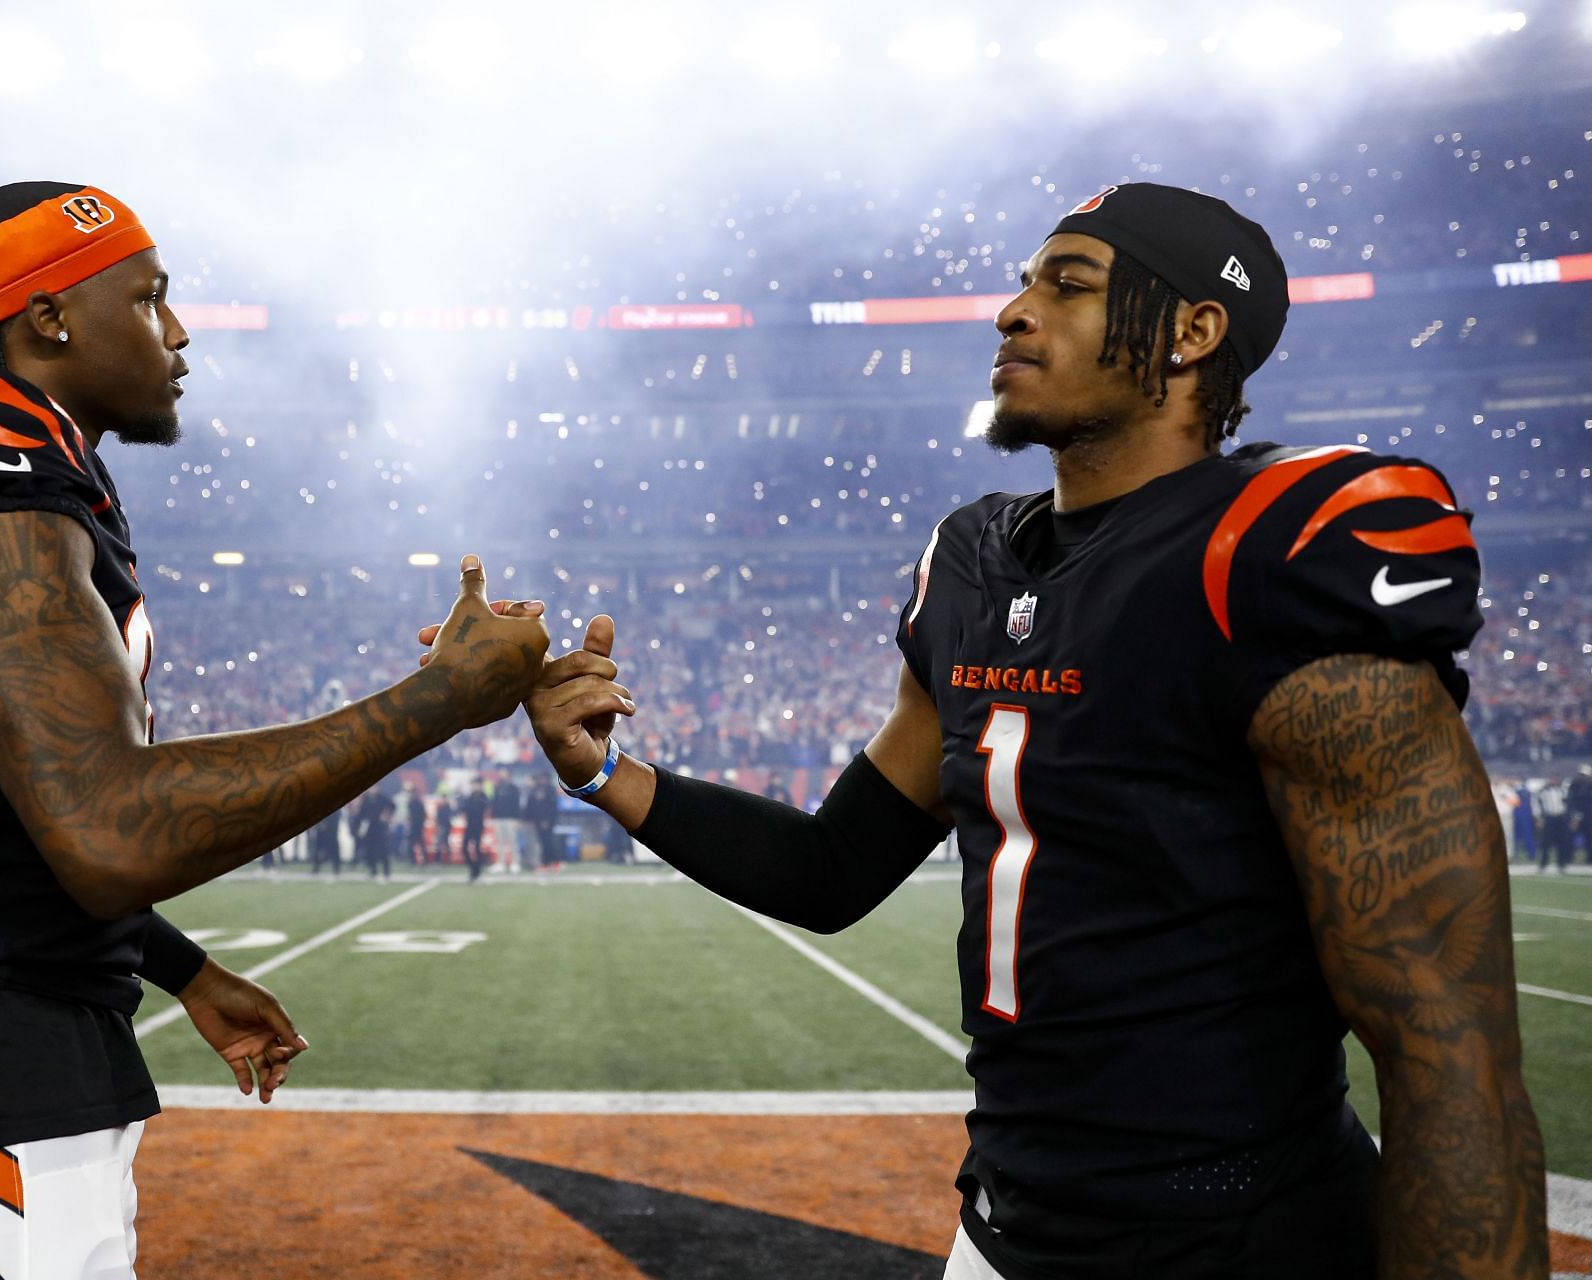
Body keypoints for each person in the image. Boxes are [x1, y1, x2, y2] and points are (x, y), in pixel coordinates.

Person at [524, 183, 1546, 1278]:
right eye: (1022, 282)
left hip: (1234, 1239)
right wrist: (603, 773)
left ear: (1195, 332)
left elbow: (1448, 1049)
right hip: (1007, 1225)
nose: (1013, 311)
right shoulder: (974, 562)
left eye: (1067, 284)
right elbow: (831, 869)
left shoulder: (1271, 553)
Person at [0, 180, 549, 1277]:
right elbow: (107, 829)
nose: (179, 330)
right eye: (149, 299)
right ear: (49, 317)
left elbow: (8, 800)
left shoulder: (37, 460)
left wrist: (182, 966)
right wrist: (439, 698)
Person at [489, 772, 523, 873]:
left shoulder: (514, 788)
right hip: (498, 818)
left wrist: (517, 818)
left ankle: (515, 863)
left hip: (510, 819)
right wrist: (493, 817)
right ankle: (500, 863)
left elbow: (517, 804)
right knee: (499, 842)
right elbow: (494, 802)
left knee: (512, 841)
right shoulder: (497, 787)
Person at [459, 778, 489, 882]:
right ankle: (473, 869)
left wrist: (471, 807)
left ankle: (478, 872)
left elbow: (480, 808)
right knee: (464, 848)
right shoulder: (470, 796)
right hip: (469, 825)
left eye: (476, 784)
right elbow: (463, 808)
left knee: (477, 849)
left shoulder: (483, 797)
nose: (475, 787)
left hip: (478, 825)